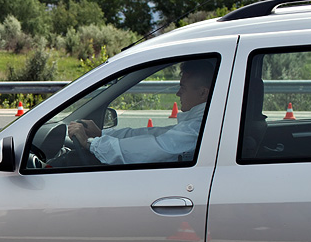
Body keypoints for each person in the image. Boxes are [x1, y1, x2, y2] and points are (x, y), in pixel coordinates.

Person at [67, 60, 215, 165]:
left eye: (183, 88)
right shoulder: (200, 123)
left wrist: (91, 144)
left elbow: (154, 148)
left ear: (203, 93)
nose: (177, 94)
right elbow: (152, 134)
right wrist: (102, 135)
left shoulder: (198, 129)